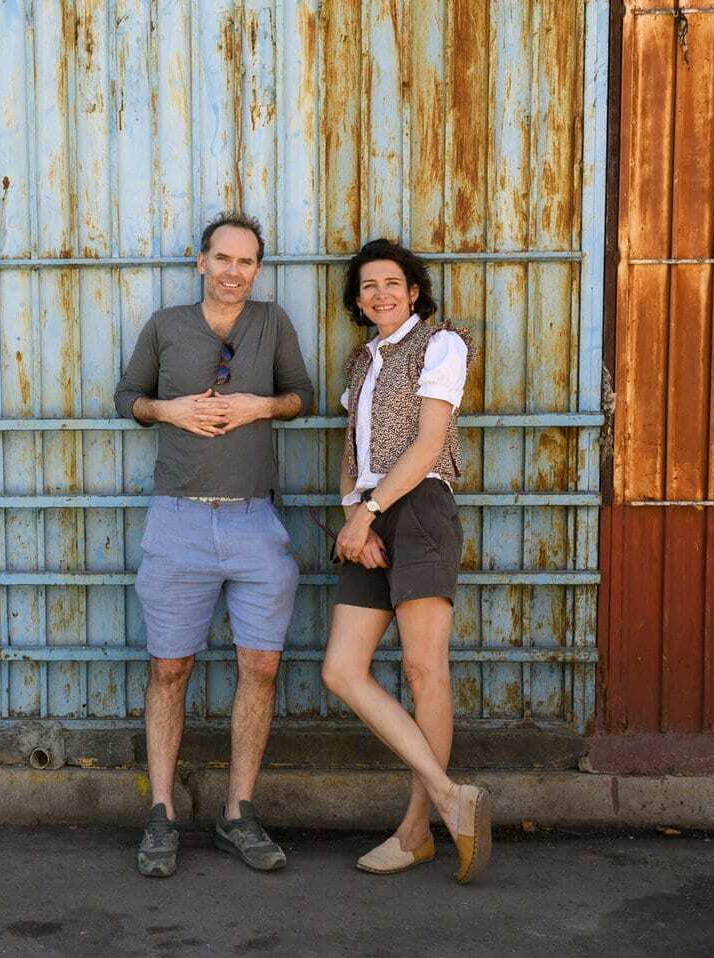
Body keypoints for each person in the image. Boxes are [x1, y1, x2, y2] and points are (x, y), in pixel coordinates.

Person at [113, 212, 314, 878]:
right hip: (179, 522)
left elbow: (302, 397)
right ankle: (163, 813)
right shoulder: (167, 326)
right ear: (200, 262)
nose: (234, 270)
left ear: (258, 268)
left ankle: (238, 814)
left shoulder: (273, 323)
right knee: (170, 669)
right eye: (222, 258)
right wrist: (167, 410)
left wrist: (260, 406)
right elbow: (126, 398)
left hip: (256, 523)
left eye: (246, 261)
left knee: (260, 667)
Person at [319, 238, 492, 884]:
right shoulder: (360, 362)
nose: (381, 295)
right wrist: (352, 516)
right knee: (341, 669)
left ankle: (417, 830)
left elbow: (426, 446)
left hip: (418, 508)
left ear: (413, 290)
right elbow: (351, 453)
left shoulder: (442, 345)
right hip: (367, 518)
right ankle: (452, 796)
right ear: (358, 300)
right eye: (368, 287)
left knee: (424, 671)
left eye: (392, 284)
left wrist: (370, 510)